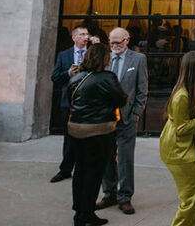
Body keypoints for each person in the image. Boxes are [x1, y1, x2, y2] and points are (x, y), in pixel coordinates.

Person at [68, 43, 127, 226]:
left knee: (80, 170)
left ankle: (79, 212)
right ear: (103, 58)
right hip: (99, 130)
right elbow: (121, 99)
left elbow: (70, 98)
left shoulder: (76, 77)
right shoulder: (107, 77)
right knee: (94, 173)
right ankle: (87, 212)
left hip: (76, 129)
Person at [96, 27, 148, 215]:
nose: (115, 46)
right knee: (106, 156)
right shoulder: (105, 58)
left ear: (127, 40)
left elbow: (142, 89)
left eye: (118, 42)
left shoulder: (138, 59)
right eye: (112, 43)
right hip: (105, 117)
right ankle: (109, 193)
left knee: (125, 159)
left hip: (127, 118)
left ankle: (125, 197)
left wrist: (136, 113)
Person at [159, 51, 195, 226]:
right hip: (178, 150)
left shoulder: (190, 89)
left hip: (182, 148)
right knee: (192, 196)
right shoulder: (182, 95)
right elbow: (181, 129)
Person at [51, 25, 92, 183]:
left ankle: (85, 169)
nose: (85, 37)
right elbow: (54, 77)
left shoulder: (92, 53)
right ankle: (65, 169)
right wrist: (68, 73)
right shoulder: (64, 55)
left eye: (86, 34)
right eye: (81, 34)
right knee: (69, 138)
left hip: (88, 103)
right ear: (74, 38)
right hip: (68, 103)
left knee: (88, 137)